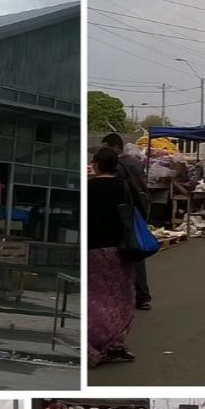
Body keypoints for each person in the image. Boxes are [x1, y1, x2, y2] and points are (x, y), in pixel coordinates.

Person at [87, 147, 136, 366]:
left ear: (96, 165)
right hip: (120, 249)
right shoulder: (122, 186)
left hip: (94, 250)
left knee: (95, 298)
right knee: (121, 297)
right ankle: (116, 342)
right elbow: (135, 213)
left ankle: (95, 346)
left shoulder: (89, 187)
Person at [101, 134, 152, 311]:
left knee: (121, 254)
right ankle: (143, 296)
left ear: (115, 147)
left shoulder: (118, 167)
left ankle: (123, 297)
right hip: (138, 210)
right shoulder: (136, 162)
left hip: (124, 213)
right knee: (136, 251)